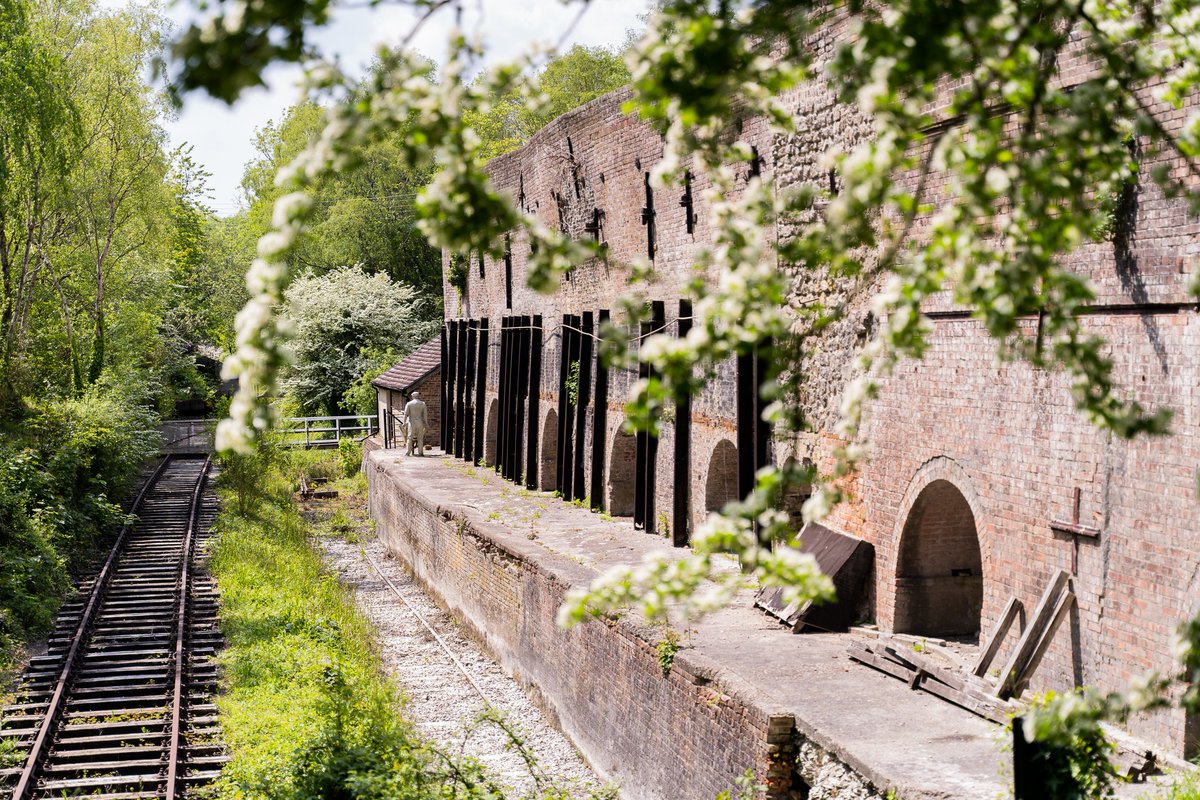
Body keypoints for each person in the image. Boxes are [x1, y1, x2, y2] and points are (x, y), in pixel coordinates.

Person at [401, 391, 428, 456]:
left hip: (412, 422)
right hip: (420, 422)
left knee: (410, 437)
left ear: (412, 396)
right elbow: (425, 415)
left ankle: (408, 452)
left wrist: (404, 422)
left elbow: (405, 414)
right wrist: (426, 423)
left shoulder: (409, 404)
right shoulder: (422, 404)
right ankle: (420, 452)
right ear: (418, 396)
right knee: (420, 438)